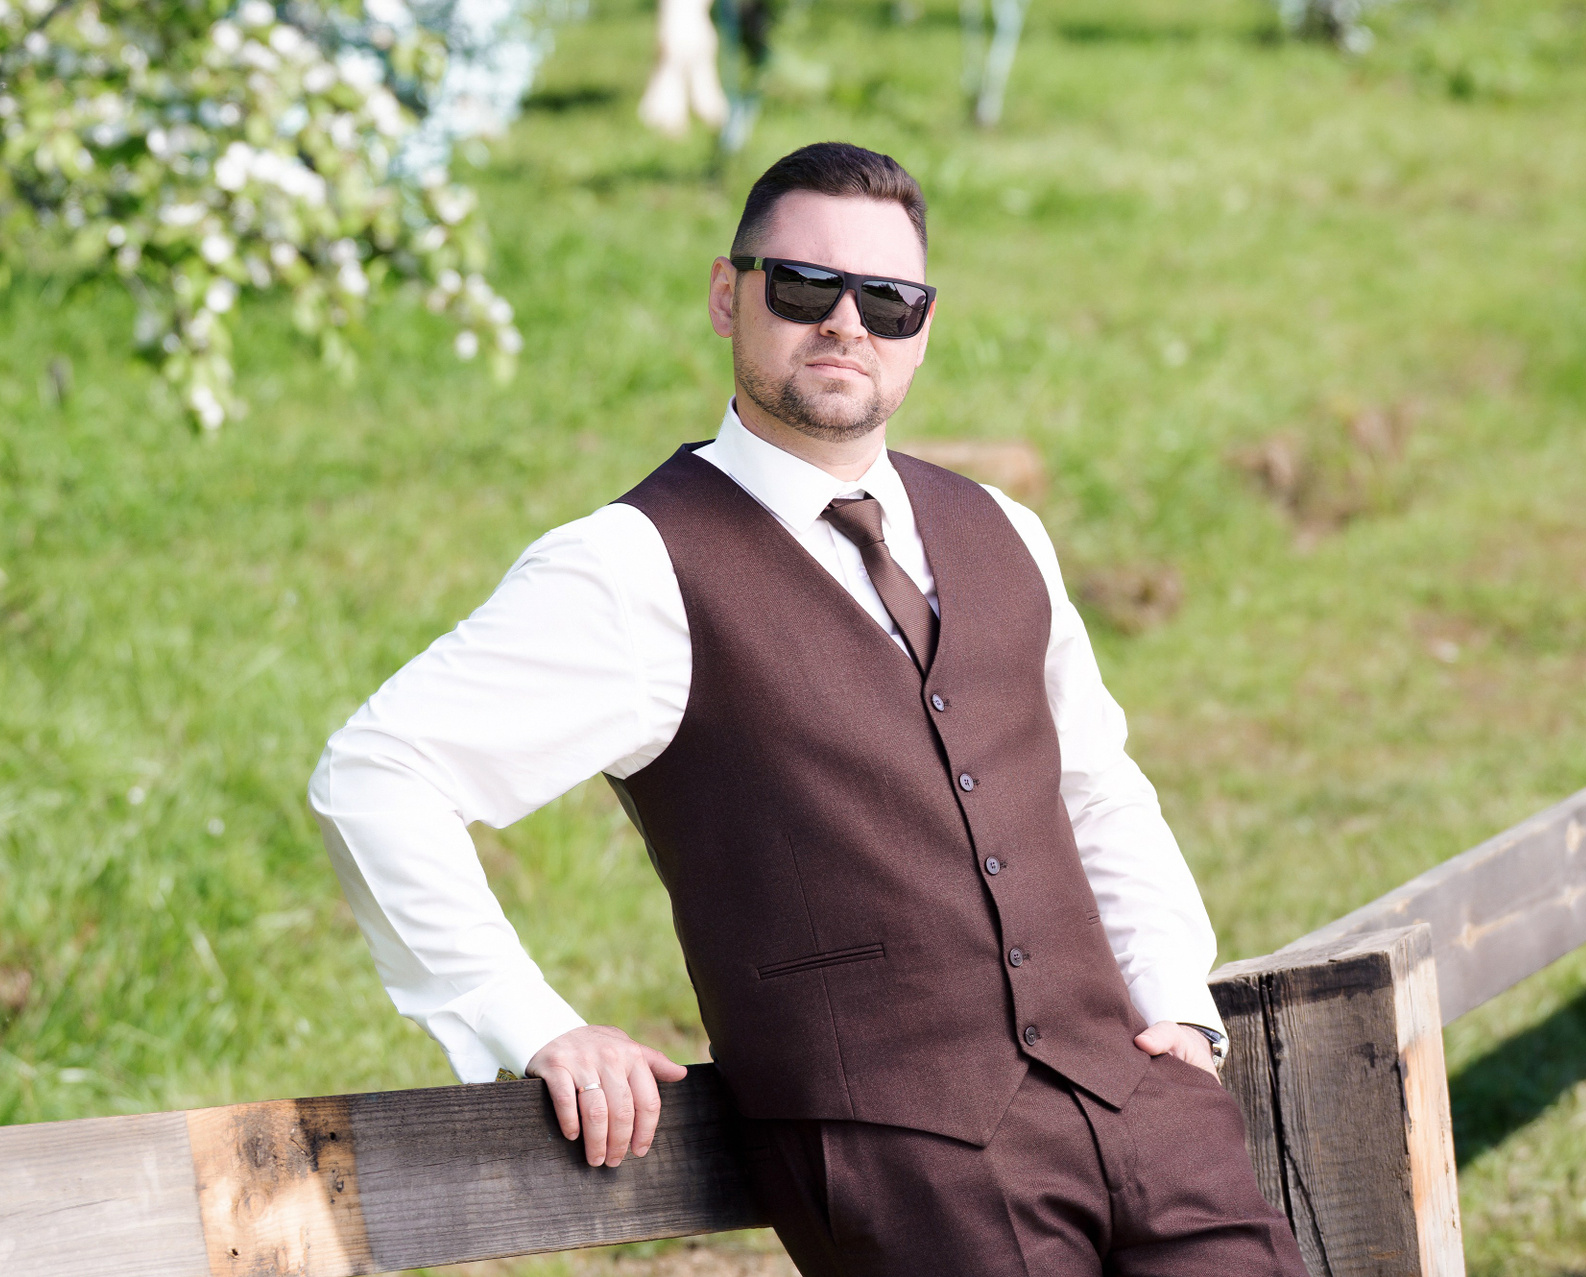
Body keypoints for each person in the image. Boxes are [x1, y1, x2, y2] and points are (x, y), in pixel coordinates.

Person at [311, 141, 1307, 1276]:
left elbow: (1094, 787)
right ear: (727, 295)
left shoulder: (1001, 528)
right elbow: (378, 772)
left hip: (1150, 1111)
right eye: (802, 286)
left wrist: (1178, 1005)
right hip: (914, 1172)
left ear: (923, 328)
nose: (845, 323)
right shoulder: (633, 566)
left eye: (886, 300)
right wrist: (532, 1021)